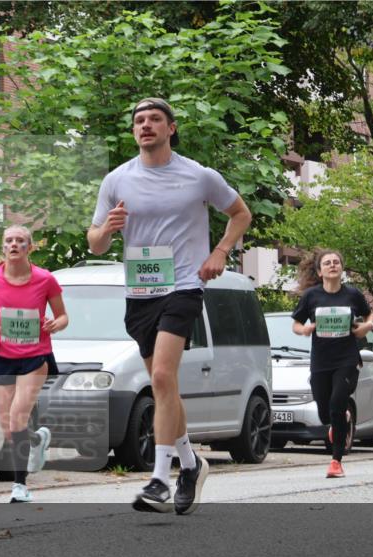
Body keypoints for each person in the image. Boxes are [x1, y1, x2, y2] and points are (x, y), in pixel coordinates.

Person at [88, 97, 252, 515]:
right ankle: (192, 464)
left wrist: (220, 252)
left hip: (183, 286)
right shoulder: (117, 180)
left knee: (162, 375)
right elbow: (96, 242)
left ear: (171, 128)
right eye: (139, 120)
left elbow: (240, 213)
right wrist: (106, 228)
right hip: (140, 292)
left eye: (154, 120)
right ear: (133, 131)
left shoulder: (198, 175)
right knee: (165, 387)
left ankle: (160, 478)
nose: (146, 126)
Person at [0, 225, 68, 502]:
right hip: (2, 356)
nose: (14, 244)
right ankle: (36, 440)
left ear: (29, 247)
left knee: (17, 416)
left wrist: (54, 324)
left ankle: (20, 486)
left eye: (20, 241)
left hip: (35, 357)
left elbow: (63, 316)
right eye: (9, 241)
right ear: (3, 247)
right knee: (8, 426)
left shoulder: (45, 279)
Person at [291, 248, 373, 478]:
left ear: (342, 268)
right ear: (320, 271)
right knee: (324, 413)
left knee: (338, 402)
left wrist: (367, 327)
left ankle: (336, 461)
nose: (332, 265)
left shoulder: (352, 295)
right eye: (327, 263)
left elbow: (369, 316)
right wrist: (305, 329)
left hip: (347, 359)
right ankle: (338, 422)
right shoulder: (311, 297)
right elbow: (296, 324)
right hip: (321, 361)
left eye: (336, 262)